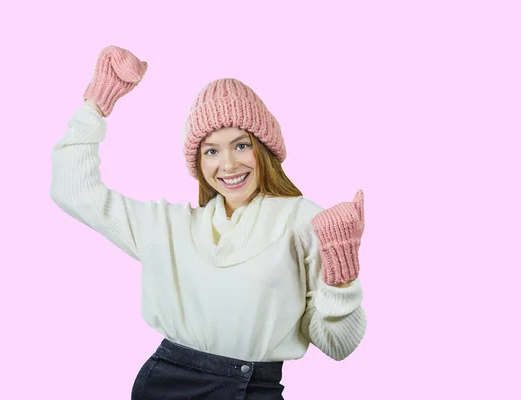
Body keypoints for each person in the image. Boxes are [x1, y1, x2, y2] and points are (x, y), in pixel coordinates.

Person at [50, 45, 367, 399]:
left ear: (264, 147)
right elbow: (72, 191)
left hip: (254, 388)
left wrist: (343, 276)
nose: (228, 164)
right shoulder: (167, 226)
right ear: (198, 162)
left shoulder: (304, 220)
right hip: (165, 384)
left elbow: (339, 345)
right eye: (211, 150)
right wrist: (95, 105)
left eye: (241, 145)